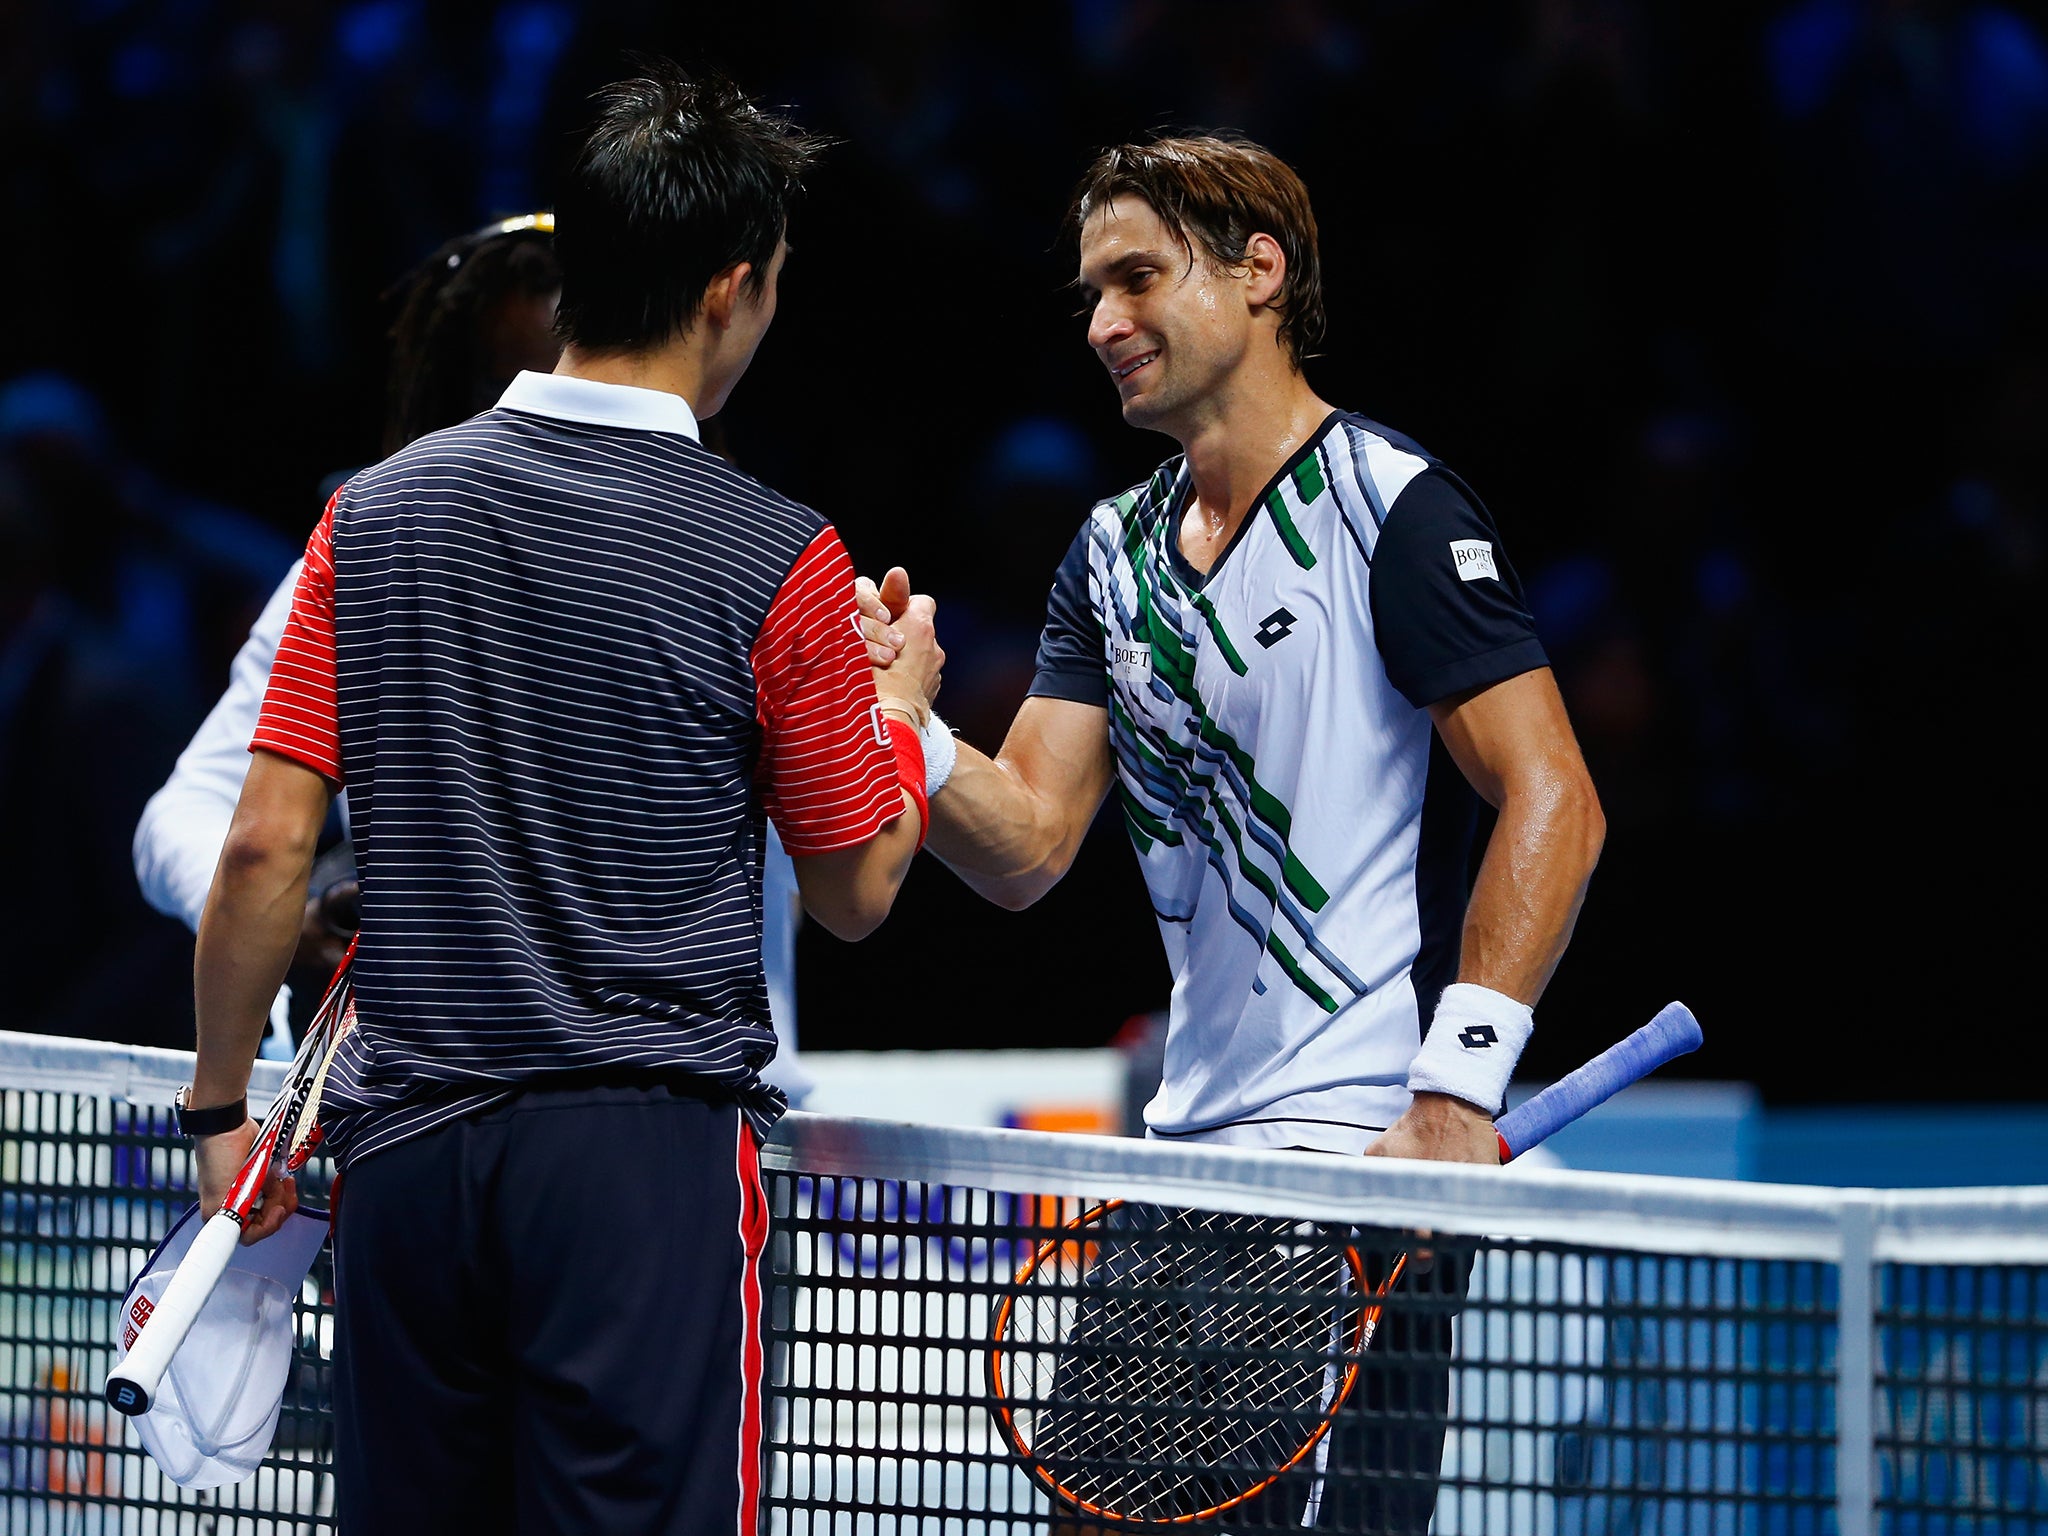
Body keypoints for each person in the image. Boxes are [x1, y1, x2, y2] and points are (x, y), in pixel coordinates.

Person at [183, 63, 943, 1533]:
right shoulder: (775, 551)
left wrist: (223, 1105)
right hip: (637, 1172)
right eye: (774, 283)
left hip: (405, 1161)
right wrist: (896, 713)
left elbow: (266, 842)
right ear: (729, 289)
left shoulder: (376, 512)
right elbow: (856, 888)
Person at [860, 134, 1604, 1529]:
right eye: (1089, 293)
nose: (1100, 325)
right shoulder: (1107, 554)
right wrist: (902, 722)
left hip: (1357, 1179)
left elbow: (1555, 794)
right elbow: (1024, 846)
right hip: (1179, 1175)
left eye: (1137, 279)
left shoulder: (1390, 507)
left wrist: (1456, 1091)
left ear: (1261, 272)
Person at [133, 212, 816, 1098]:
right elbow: (204, 824)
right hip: (450, 1108)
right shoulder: (367, 558)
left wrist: (904, 718)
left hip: (700, 1120)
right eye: (511, 385)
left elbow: (840, 860)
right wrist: (293, 922)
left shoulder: (758, 564)